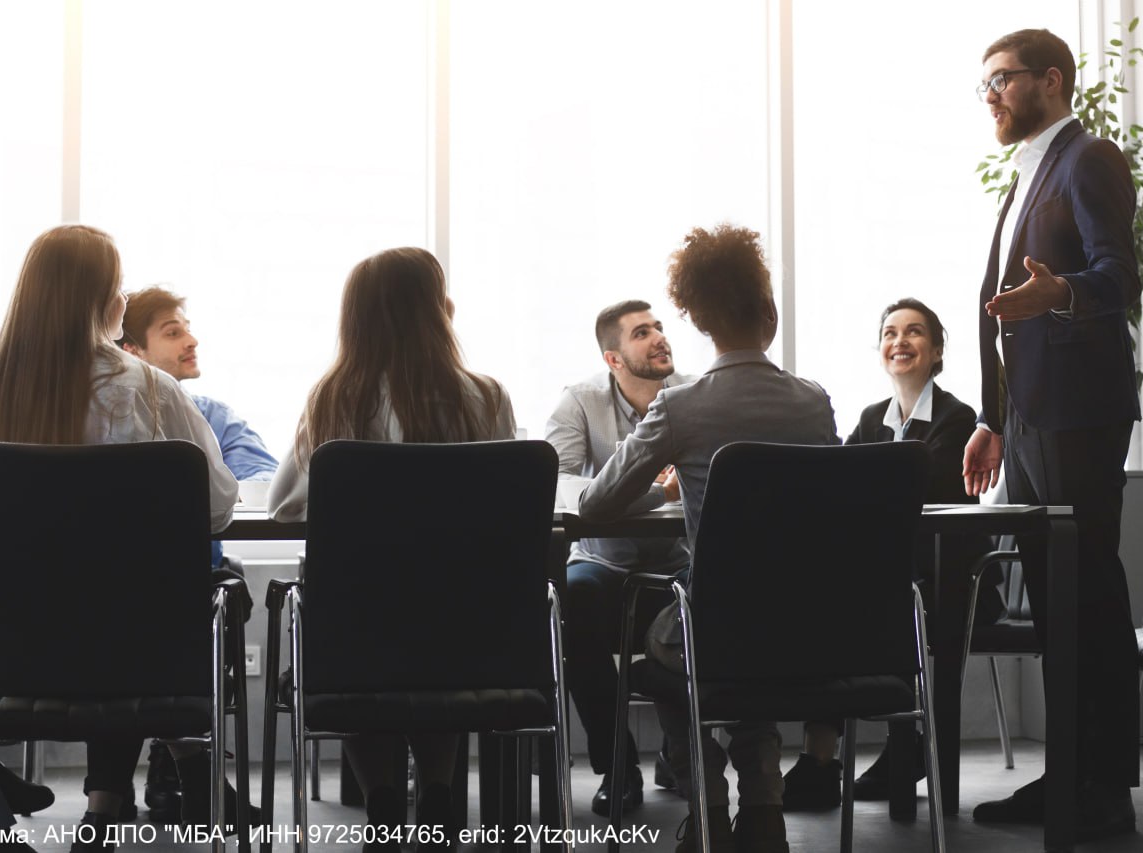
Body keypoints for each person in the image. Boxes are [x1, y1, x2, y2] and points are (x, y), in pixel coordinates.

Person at [0, 225, 241, 850]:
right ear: (109, 303)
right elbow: (217, 508)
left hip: (13, 657)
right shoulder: (153, 393)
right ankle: (177, 785)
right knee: (178, 589)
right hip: (142, 652)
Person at [578, 224, 839, 853]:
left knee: (678, 639)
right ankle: (765, 807)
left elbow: (594, 504)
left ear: (695, 319)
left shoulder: (682, 406)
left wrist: (662, 488)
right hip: (813, 622)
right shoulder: (814, 403)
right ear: (769, 314)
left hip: (717, 621)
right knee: (744, 640)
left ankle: (712, 803)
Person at [267, 246, 515, 848]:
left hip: (357, 630)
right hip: (466, 630)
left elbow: (282, 507)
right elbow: (505, 506)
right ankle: (436, 789)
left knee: (363, 623)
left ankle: (381, 798)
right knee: (435, 629)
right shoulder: (484, 397)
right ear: (437, 311)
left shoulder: (332, 401)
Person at [962, 28, 1141, 842]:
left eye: (1002, 79)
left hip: (1079, 411)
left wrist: (1060, 292)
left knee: (1090, 597)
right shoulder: (1027, 171)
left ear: (1052, 80)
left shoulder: (1088, 159)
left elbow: (1118, 279)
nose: (991, 94)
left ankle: (1106, 785)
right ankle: (1066, 774)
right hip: (1030, 417)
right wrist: (994, 417)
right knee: (1054, 605)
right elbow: (1004, 314)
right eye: (985, 84)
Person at [781, 298, 1002, 809]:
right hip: (894, 580)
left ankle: (882, 749)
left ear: (937, 349)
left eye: (915, 332)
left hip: (956, 584)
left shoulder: (957, 418)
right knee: (825, 603)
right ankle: (832, 755)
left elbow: (912, 493)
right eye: (890, 333)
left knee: (862, 605)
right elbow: (842, 487)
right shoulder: (871, 419)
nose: (899, 342)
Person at [117, 285, 277, 822]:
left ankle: (144, 770)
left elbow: (262, 482)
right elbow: (226, 494)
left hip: (180, 580)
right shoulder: (116, 407)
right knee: (203, 599)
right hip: (141, 588)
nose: (191, 340)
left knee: (221, 590)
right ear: (132, 352)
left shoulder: (209, 412)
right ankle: (181, 760)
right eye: (172, 332)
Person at [544, 299, 693, 816]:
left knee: (716, 596)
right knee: (575, 602)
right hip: (602, 562)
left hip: (677, 562)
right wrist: (653, 493)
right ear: (613, 359)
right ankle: (618, 765)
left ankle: (681, 751)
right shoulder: (580, 401)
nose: (658, 338)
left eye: (659, 327)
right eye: (641, 333)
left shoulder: (694, 394)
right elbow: (557, 484)